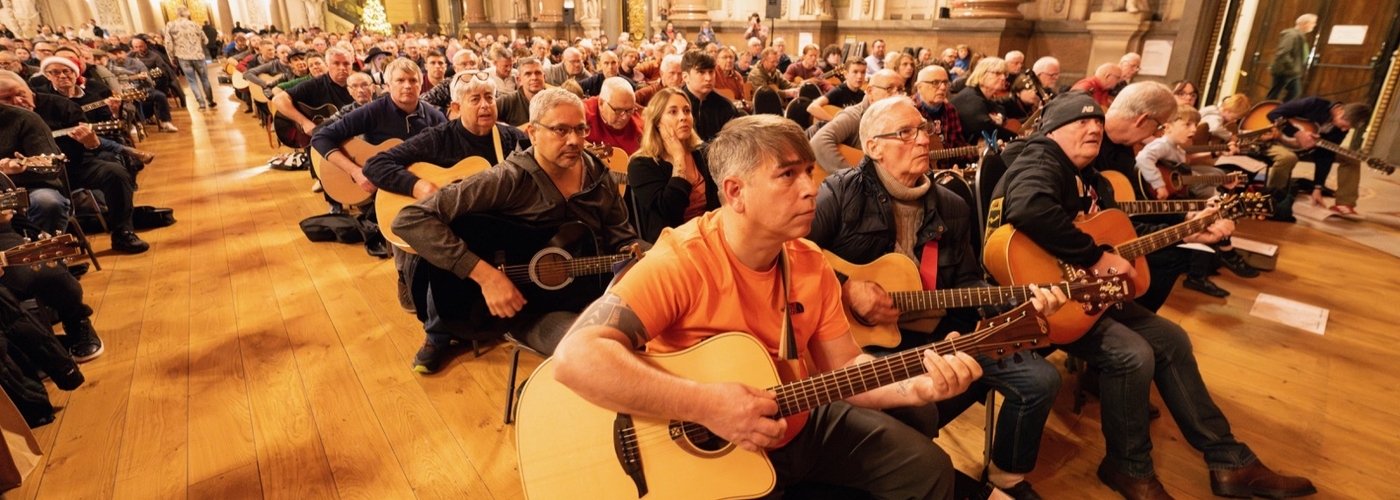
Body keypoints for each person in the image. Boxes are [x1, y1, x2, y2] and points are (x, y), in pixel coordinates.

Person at [551, 114, 987, 500]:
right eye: (787, 175)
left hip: (796, 420)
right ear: (735, 192)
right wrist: (705, 406)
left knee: (927, 469)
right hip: (698, 445)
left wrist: (918, 386)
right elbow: (575, 358)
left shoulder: (810, 262)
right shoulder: (682, 260)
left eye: (809, 172)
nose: (811, 189)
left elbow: (845, 368)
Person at [993, 91, 1317, 500]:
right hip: (1039, 301)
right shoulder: (1040, 159)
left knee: (1172, 338)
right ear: (1052, 131)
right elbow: (1029, 209)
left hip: (1080, 292)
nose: (1093, 129)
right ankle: (1128, 467)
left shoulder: (1090, 177)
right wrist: (1095, 258)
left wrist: (1189, 232)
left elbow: (1120, 238)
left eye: (1097, 123)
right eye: (1080, 122)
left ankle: (1230, 460)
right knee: (1133, 354)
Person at [808, 97, 1066, 499]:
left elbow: (968, 282)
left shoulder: (952, 206)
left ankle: (1006, 476)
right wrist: (845, 285)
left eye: (924, 129)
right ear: (873, 146)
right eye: (905, 133)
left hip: (942, 332)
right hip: (864, 344)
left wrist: (1020, 303)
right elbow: (795, 254)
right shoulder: (839, 192)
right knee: (917, 410)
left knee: (1041, 379)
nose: (923, 140)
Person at [393, 89, 637, 373]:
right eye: (560, 130)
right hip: (530, 309)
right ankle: (539, 393)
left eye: (580, 129)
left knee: (654, 326)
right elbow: (410, 219)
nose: (574, 140)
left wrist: (639, 255)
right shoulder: (508, 179)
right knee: (597, 351)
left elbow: (623, 238)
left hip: (598, 290)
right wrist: (486, 276)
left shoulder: (598, 174)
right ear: (533, 133)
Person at [628, 87, 720, 242]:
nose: (683, 117)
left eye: (687, 111)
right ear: (657, 122)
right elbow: (669, 209)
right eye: (673, 112)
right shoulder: (641, 164)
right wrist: (679, 158)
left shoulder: (704, 153)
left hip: (711, 235)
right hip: (672, 242)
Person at [1264, 96, 1371, 215]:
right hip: (1275, 141)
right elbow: (1274, 114)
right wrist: (1297, 133)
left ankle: (1344, 204)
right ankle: (1273, 199)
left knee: (1351, 159)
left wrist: (1318, 187)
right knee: (1288, 158)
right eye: (1345, 125)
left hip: (1308, 150)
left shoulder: (1341, 130)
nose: (1344, 130)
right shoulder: (1314, 104)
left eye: (1348, 128)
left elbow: (1325, 155)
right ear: (1340, 111)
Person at [810, 69, 905, 173]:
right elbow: (818, 143)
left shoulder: (899, 118)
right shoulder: (853, 116)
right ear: (870, 92)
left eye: (900, 90)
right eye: (889, 88)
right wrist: (852, 177)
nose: (897, 94)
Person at [911, 65, 974, 170]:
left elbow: (958, 144)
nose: (943, 87)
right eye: (935, 83)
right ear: (920, 87)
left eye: (945, 83)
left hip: (946, 170)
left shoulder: (950, 110)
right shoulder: (909, 110)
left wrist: (978, 152)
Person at [950, 57, 1014, 145]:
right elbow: (984, 127)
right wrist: (1016, 138)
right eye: (997, 73)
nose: (1003, 78)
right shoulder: (970, 97)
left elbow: (1000, 110)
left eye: (1005, 74)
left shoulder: (982, 96)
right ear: (982, 74)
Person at [165, 6, 214, 110]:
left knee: (192, 81)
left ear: (176, 13)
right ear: (188, 13)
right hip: (198, 55)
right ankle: (210, 100)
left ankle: (201, 103)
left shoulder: (171, 25)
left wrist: (171, 57)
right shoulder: (195, 24)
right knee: (204, 79)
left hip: (183, 57)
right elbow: (206, 40)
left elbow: (168, 43)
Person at [582, 76, 643, 155]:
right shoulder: (580, 112)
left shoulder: (640, 128)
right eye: (618, 111)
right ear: (601, 103)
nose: (625, 117)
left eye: (629, 110)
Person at [1267, 14, 1317, 102]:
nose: (1314, 25)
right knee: (1274, 95)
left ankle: (1282, 108)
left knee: (1294, 93)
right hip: (1284, 71)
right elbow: (1283, 53)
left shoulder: (1299, 36)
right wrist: (1292, 66)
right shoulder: (1292, 36)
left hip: (1291, 72)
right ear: (1304, 23)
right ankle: (1267, 109)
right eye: (1313, 23)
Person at [807, 58, 867, 124]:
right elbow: (812, 107)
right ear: (846, 74)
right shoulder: (839, 90)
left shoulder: (864, 97)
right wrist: (835, 122)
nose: (859, 76)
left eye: (863, 72)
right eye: (855, 72)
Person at [496, 57, 546, 126]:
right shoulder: (507, 101)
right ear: (519, 80)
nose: (534, 78)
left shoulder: (554, 100)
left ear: (544, 77)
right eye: (528, 74)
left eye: (538, 73)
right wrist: (507, 129)